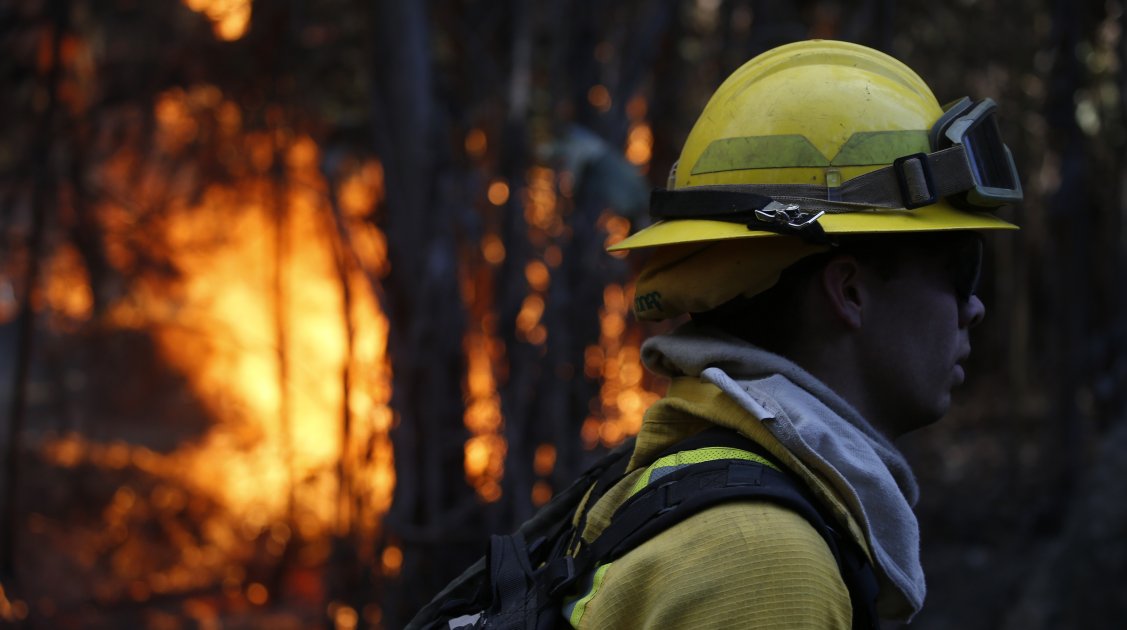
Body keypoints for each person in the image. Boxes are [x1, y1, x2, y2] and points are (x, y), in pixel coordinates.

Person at [559, 39, 1021, 628]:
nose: (974, 307)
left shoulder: (684, 483)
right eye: (958, 269)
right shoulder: (764, 565)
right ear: (849, 291)